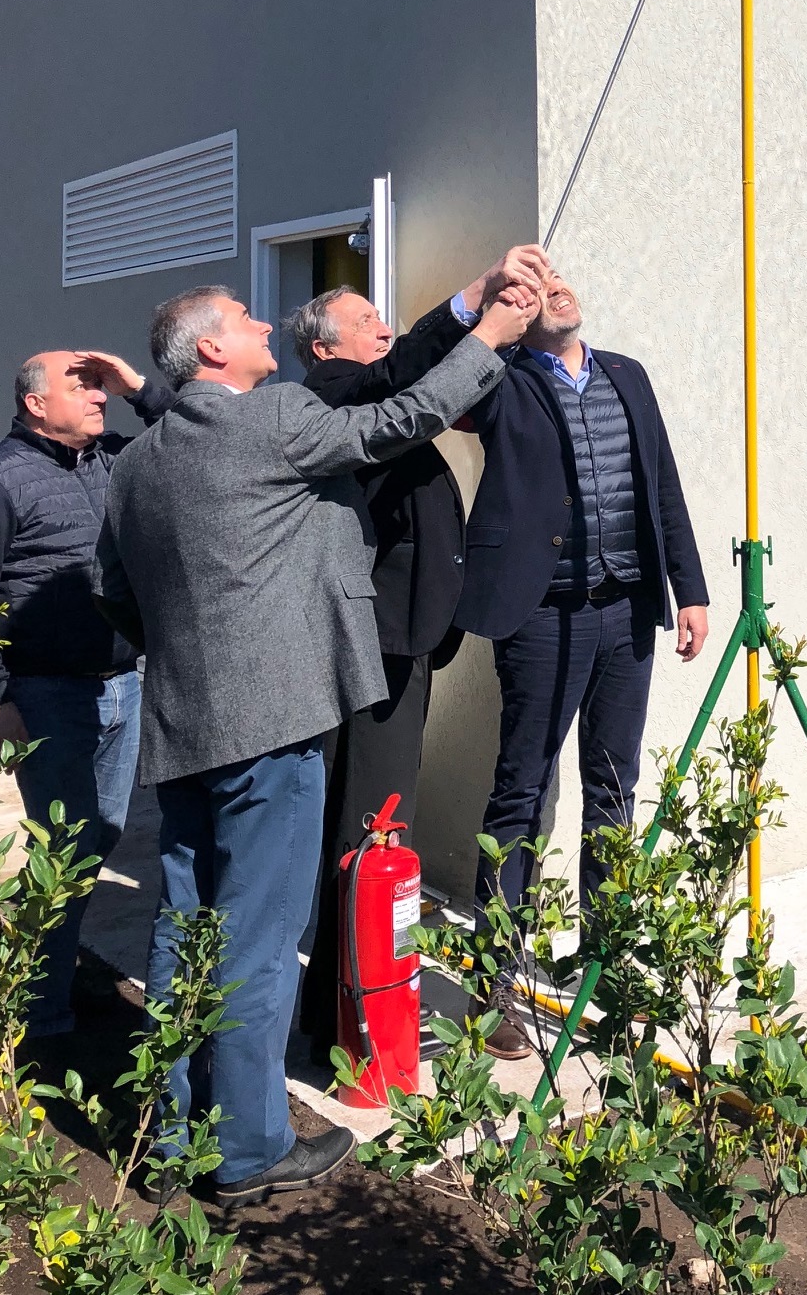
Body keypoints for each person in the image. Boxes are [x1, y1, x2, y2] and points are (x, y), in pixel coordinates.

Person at [93, 281, 534, 1207]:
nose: (265, 324)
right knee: (258, 939)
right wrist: (489, 334)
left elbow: (115, 593)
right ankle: (247, 1151)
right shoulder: (274, 419)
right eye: (245, 319)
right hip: (272, 728)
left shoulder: (135, 465)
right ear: (211, 352)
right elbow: (402, 418)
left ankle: (167, 1136)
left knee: (185, 928)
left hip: (184, 727)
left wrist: (198, 655)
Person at [289, 244, 551, 1065]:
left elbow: (407, 374)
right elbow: (402, 374)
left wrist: (480, 302)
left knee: (372, 823)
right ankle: (350, 1018)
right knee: (369, 827)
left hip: (404, 644)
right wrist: (479, 311)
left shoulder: (360, 392)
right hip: (377, 647)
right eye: (368, 322)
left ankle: (343, 1005)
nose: (385, 331)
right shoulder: (331, 395)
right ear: (326, 347)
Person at [455, 270, 710, 1058]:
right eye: (535, 289)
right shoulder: (499, 382)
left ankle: (609, 975)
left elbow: (661, 483)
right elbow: (441, 384)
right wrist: (480, 311)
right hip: (540, 616)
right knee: (522, 793)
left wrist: (691, 589)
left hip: (626, 611)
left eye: (558, 281)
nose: (554, 291)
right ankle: (495, 984)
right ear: (516, 312)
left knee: (614, 791)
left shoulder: (627, 374)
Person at [0, 348, 172, 1037]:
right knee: (66, 848)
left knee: (97, 840)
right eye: (81, 385)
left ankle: (40, 978)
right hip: (47, 694)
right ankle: (37, 1011)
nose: (97, 396)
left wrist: (138, 388)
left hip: (122, 686)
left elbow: (197, 438)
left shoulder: (114, 458)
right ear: (35, 403)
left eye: (99, 386)